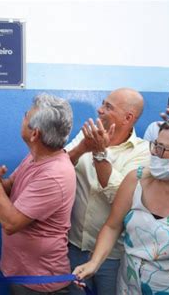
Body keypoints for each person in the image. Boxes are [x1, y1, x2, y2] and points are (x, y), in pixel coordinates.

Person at [73, 119, 169, 294]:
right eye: (155, 145)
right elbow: (112, 226)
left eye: (163, 150)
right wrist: (94, 262)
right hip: (129, 287)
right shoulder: (135, 180)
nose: (154, 153)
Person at [0, 93, 76, 295]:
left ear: (35, 134)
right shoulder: (37, 157)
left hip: (41, 282)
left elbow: (10, 223)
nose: (23, 117)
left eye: (26, 115)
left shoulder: (55, 174)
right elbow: (10, 187)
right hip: (22, 272)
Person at [64, 88, 149, 294]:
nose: (100, 110)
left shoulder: (143, 152)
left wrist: (100, 154)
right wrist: (82, 148)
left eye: (108, 107)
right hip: (73, 247)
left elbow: (121, 199)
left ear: (127, 117)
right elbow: (59, 166)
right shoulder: (87, 137)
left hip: (113, 256)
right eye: (102, 104)